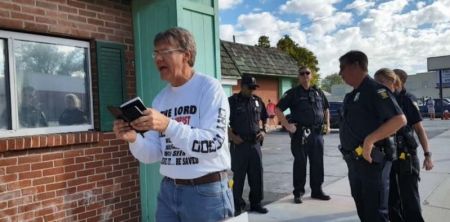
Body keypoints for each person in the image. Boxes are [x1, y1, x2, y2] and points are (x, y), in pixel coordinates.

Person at [112, 27, 234, 221]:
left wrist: (168, 125)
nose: (158, 59)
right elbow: (153, 153)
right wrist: (133, 139)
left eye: (165, 52)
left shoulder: (210, 88)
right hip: (169, 190)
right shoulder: (160, 99)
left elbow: (213, 143)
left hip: (205, 194)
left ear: (186, 55)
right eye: (156, 53)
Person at [338, 51, 406, 222]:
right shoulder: (352, 95)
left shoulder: (375, 90)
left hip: (372, 162)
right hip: (355, 162)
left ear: (355, 66)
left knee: (375, 212)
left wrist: (370, 140)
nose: (340, 73)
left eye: (342, 68)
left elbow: (399, 120)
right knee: (362, 207)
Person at [275, 66, 331, 204]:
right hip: (301, 133)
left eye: (307, 73)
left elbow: (326, 108)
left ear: (311, 75)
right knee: (300, 162)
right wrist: (287, 126)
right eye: (302, 73)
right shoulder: (293, 93)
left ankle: (317, 190)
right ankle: (298, 192)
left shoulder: (318, 92)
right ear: (299, 77)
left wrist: (327, 124)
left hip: (317, 133)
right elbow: (277, 109)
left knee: (317, 163)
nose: (305, 75)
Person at [383, 68, 433, 222]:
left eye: (392, 79)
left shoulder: (408, 99)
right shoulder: (385, 99)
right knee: (391, 197)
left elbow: (419, 129)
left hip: (406, 154)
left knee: (409, 197)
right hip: (389, 154)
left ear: (399, 81)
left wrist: (427, 155)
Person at [228, 74, 269, 216]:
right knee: (238, 177)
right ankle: (237, 205)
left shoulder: (257, 101)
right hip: (239, 145)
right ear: (242, 86)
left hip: (255, 144)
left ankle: (256, 203)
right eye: (250, 87)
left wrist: (264, 130)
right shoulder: (232, 102)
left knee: (257, 175)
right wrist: (232, 136)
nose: (252, 90)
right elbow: (221, 122)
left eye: (254, 87)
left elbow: (265, 118)